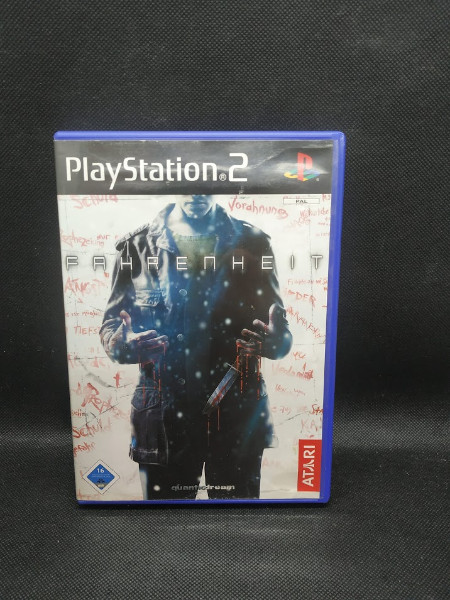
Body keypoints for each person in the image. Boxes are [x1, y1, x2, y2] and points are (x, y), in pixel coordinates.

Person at [100, 194, 292, 500]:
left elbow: (280, 335)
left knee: (238, 523)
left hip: (236, 417)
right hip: (163, 419)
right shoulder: (135, 247)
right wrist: (121, 345)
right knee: (163, 523)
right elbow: (111, 327)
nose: (197, 192)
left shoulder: (255, 243)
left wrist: (275, 342)